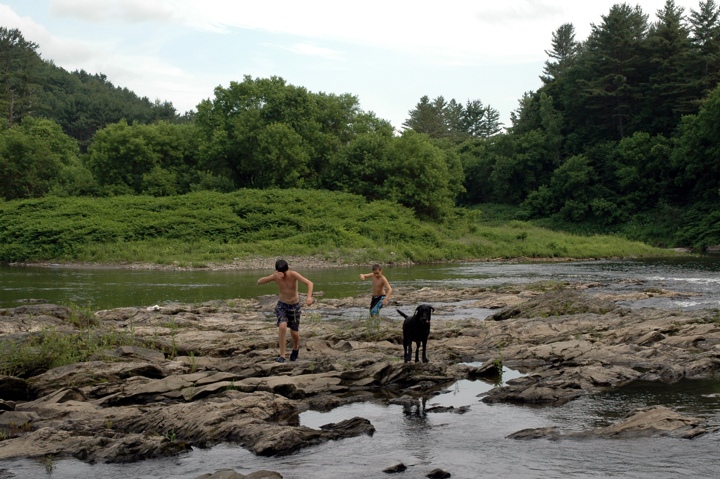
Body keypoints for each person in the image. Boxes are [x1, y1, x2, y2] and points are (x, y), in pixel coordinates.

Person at [257, 259, 314, 362]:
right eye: (281, 273)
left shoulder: (293, 274)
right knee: (282, 326)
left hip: (294, 307)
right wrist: (273, 277)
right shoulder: (276, 277)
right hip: (282, 305)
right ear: (277, 271)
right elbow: (259, 282)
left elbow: (309, 283)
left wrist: (309, 297)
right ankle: (282, 355)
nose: (284, 275)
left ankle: (296, 348)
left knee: (294, 334)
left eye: (285, 272)